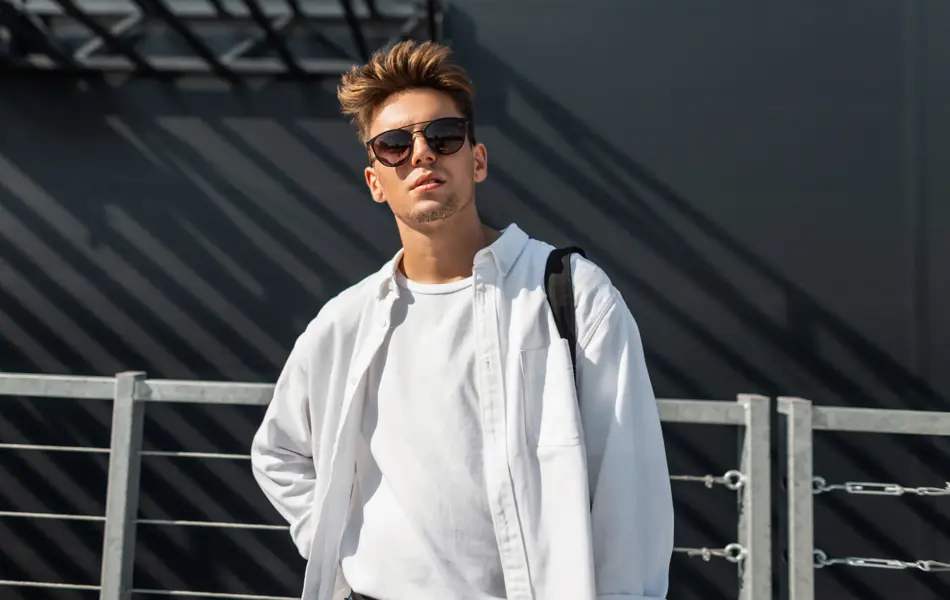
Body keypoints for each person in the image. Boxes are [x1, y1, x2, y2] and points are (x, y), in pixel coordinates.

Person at [250, 40, 673, 600]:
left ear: (476, 159)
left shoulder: (568, 294)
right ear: (376, 182)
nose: (421, 154)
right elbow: (278, 453)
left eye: (442, 136)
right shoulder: (345, 321)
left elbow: (630, 485)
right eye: (395, 145)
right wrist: (340, 547)